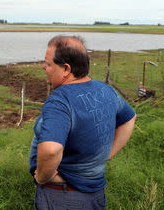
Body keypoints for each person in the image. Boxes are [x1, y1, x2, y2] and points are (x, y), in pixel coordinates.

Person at [30, 35, 136, 210]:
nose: (43, 67)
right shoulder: (105, 90)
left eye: (48, 64)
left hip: (62, 197)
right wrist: (109, 152)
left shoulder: (60, 100)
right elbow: (129, 119)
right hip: (95, 194)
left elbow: (50, 150)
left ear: (66, 69)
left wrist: (41, 177)